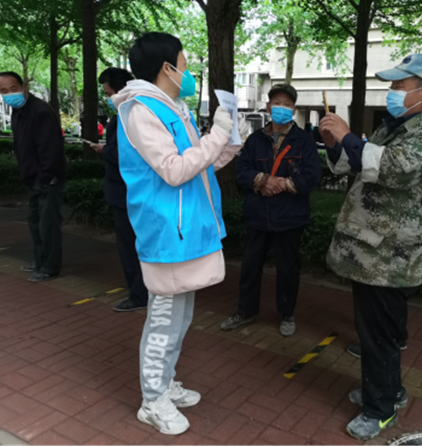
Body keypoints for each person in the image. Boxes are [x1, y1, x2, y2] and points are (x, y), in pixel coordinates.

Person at [111, 32, 245, 435]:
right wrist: (217, 134)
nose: (189, 72)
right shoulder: (141, 110)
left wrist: (228, 143)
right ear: (167, 67)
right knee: (164, 320)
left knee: (179, 317)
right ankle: (152, 401)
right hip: (167, 231)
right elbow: (174, 170)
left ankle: (164, 383)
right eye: (185, 64)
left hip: (184, 229)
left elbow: (195, 164)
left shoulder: (173, 107)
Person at [319, 54, 422, 441]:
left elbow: (392, 168)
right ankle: (389, 392)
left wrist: (347, 135)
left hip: (390, 256)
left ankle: (379, 410)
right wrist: (335, 144)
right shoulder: (397, 126)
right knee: (381, 332)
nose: (392, 92)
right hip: (374, 253)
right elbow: (359, 165)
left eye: (399, 85)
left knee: (377, 336)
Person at [220, 84, 321, 337]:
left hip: (290, 217)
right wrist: (263, 180)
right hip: (258, 215)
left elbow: (311, 176)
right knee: (250, 267)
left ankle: (287, 314)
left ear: (294, 109)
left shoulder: (304, 141)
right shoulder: (255, 140)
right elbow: (242, 172)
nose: (282, 108)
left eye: (287, 104)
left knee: (288, 269)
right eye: (277, 103)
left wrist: (282, 184)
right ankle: (246, 311)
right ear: (268, 107)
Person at [90, 68, 149, 313]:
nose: (108, 98)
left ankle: (139, 294)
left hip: (125, 193)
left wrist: (104, 150)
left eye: (108, 93)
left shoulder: (127, 116)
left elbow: (128, 155)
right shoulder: (138, 113)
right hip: (135, 191)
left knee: (130, 247)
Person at [0, 72, 66, 283]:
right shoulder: (19, 112)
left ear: (24, 86)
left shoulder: (40, 111)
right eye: (3, 91)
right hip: (33, 179)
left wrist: (43, 179)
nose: (9, 94)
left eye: (13, 89)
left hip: (47, 180)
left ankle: (50, 267)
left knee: (48, 225)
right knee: (35, 221)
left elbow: (50, 150)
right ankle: (39, 261)